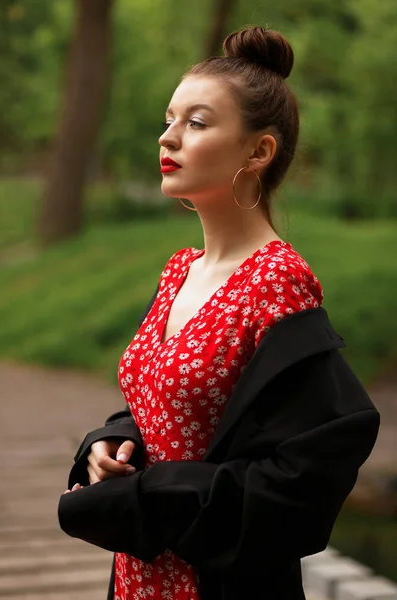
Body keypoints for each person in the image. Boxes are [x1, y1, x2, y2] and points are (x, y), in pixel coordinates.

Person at [58, 26, 380, 600]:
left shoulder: (277, 282)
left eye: (197, 123)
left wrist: (152, 496)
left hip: (220, 580)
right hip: (139, 575)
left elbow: (309, 468)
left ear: (258, 152)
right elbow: (176, 402)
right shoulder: (180, 270)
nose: (169, 137)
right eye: (169, 118)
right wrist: (110, 443)